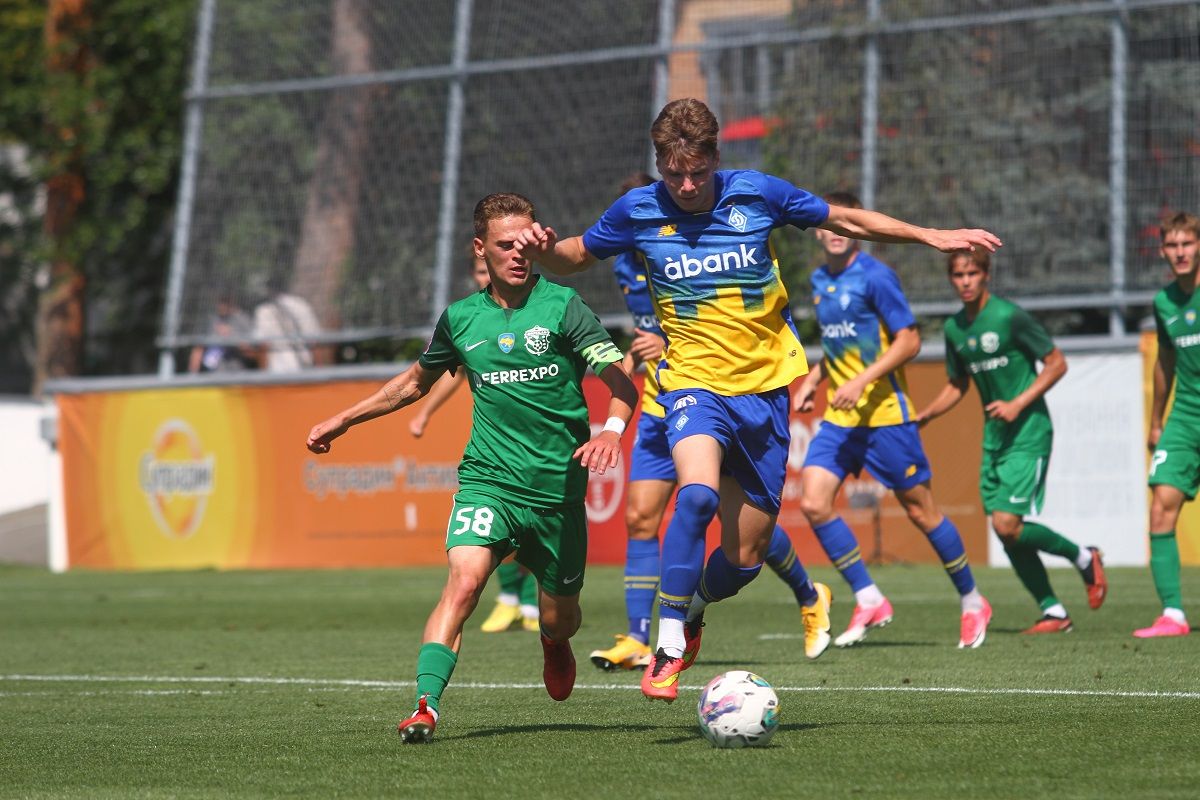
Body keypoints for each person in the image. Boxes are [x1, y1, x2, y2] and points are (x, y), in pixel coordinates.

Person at [513, 98, 1000, 702]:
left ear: (716, 157)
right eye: (673, 172)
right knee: (691, 497)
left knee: (743, 558)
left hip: (766, 390)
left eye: (697, 170)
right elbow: (576, 256)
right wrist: (540, 249)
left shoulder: (757, 194)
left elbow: (844, 219)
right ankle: (665, 646)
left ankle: (689, 614)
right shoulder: (638, 209)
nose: (686, 185)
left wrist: (929, 235)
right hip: (690, 382)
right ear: (660, 164)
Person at [306, 192, 638, 742]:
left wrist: (610, 431)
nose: (517, 254)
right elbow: (413, 384)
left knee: (561, 617)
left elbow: (619, 380)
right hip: (489, 482)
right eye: (505, 244)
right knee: (463, 583)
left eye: (525, 243)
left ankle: (554, 644)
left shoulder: (563, 306)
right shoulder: (460, 319)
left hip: (557, 494)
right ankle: (425, 705)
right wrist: (346, 418)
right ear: (480, 248)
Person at [589, 172, 835, 673]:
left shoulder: (702, 235)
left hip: (713, 391)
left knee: (741, 533)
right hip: (664, 401)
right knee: (644, 516)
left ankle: (808, 592)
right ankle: (644, 638)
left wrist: (666, 346)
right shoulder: (624, 262)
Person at [794, 191, 991, 650]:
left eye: (844, 226)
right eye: (828, 227)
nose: (835, 234)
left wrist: (863, 380)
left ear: (856, 228)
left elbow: (909, 341)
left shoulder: (877, 276)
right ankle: (869, 597)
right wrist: (814, 378)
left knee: (922, 511)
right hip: (842, 420)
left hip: (886, 418)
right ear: (818, 230)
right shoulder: (820, 280)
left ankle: (972, 600)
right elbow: (839, 345)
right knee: (814, 502)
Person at [915, 249, 1107, 633]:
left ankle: (1083, 557)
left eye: (973, 273)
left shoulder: (1009, 316)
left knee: (1006, 524)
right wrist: (925, 415)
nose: (966, 281)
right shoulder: (955, 329)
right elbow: (958, 384)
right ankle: (1053, 611)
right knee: (1007, 534)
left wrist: (1019, 403)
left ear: (986, 275)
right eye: (959, 275)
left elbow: (1057, 362)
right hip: (996, 438)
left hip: (1029, 431)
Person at [409, 251, 541, 634]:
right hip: (496, 441)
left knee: (532, 524)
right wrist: (425, 413)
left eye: (489, 270)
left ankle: (529, 602)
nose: (487, 276)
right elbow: (454, 373)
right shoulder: (471, 320)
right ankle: (510, 599)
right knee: (495, 522)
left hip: (536, 441)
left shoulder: (534, 308)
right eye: (480, 271)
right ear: (474, 272)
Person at [1138, 210, 1200, 638]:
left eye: (1187, 244)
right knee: (1161, 505)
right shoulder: (1164, 303)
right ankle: (1173, 615)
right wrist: (1157, 420)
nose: (1180, 253)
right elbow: (1165, 361)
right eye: (1173, 246)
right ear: (1163, 251)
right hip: (1185, 415)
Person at [253, 277, 324, 372]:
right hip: (304, 367)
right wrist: (320, 372)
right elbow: (314, 342)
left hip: (278, 370)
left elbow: (264, 345)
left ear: (268, 290)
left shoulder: (264, 310)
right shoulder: (301, 305)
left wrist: (263, 375)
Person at [187, 292, 255, 373]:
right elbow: (198, 348)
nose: (222, 305)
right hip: (212, 374)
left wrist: (231, 336)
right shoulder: (211, 320)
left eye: (226, 301)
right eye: (221, 301)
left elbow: (252, 354)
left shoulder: (241, 320)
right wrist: (192, 374)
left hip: (237, 374)